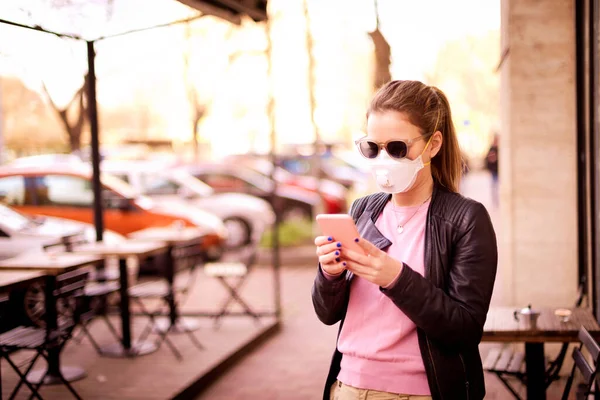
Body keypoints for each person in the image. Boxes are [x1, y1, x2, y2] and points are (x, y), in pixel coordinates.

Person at [312, 80, 497, 400]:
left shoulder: (466, 219)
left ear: (433, 145)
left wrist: (396, 278)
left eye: (397, 147)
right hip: (347, 388)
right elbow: (327, 314)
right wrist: (330, 274)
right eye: (372, 147)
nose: (383, 159)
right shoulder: (363, 210)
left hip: (421, 393)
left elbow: (465, 330)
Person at [485, 135, 499, 207]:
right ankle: (495, 201)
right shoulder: (492, 149)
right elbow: (488, 159)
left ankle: (497, 200)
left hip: (498, 171)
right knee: (494, 186)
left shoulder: (499, 148)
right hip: (494, 170)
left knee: (497, 186)